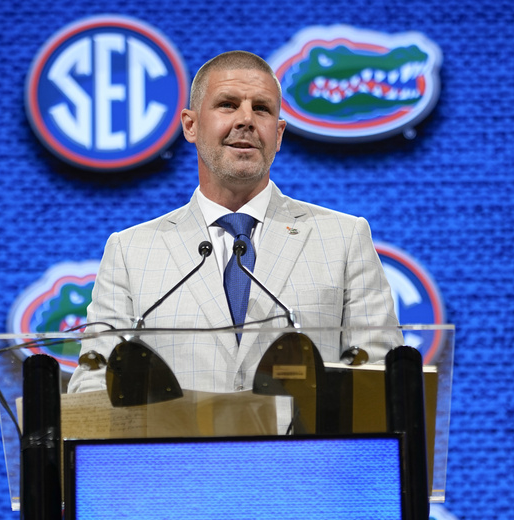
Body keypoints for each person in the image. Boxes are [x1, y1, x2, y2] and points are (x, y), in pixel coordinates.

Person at [68, 51, 400, 394]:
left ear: (279, 133)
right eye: (227, 105)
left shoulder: (343, 240)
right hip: (176, 449)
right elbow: (95, 383)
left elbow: (380, 376)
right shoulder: (131, 252)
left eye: (262, 109)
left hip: (301, 449)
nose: (246, 120)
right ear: (190, 125)